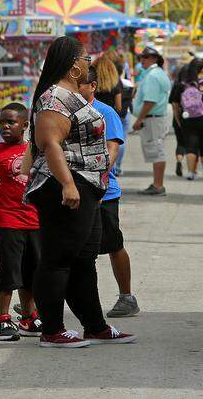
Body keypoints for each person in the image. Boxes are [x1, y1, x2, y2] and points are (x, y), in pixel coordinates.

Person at [25, 35, 135, 347]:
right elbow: (50, 144)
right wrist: (69, 184)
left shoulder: (72, 95)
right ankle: (53, 330)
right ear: (73, 66)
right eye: (86, 59)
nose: (90, 63)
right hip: (65, 187)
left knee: (83, 259)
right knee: (58, 258)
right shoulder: (54, 98)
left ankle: (95, 326)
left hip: (89, 187)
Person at [0, 102, 41, 341]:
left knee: (31, 272)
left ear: (24, 125)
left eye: (11, 122)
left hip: (35, 221)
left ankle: (29, 317)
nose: (5, 126)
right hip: (7, 220)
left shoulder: (36, 150)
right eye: (2, 122)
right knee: (7, 272)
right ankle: (2, 320)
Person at [80, 67, 140, 318]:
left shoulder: (106, 113)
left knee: (113, 244)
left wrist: (100, 180)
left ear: (93, 86)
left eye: (80, 85)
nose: (74, 90)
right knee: (73, 248)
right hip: (74, 189)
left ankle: (127, 296)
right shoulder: (64, 111)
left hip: (103, 192)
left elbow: (111, 150)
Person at [132, 45, 172, 196]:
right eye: (141, 57)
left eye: (145, 57)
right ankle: (157, 183)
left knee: (157, 150)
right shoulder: (157, 73)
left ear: (154, 59)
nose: (142, 60)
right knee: (157, 148)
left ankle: (158, 185)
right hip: (156, 117)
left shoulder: (153, 76)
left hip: (153, 118)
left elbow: (150, 100)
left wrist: (139, 119)